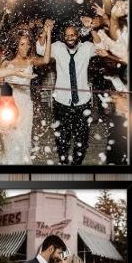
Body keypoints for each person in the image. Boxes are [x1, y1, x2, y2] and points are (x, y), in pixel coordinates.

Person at [37, 22, 104, 165]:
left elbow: (100, 46)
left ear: (78, 35)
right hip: (61, 103)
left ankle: (76, 166)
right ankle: (64, 164)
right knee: (62, 139)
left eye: (72, 34)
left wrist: (91, 27)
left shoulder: (86, 47)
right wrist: (45, 30)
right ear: (63, 37)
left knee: (82, 140)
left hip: (82, 103)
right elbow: (40, 49)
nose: (70, 38)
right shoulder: (57, 47)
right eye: (67, 35)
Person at [0, 24, 53, 164]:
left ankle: (23, 164)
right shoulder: (6, 63)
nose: (25, 47)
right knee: (9, 137)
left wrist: (49, 34)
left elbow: (45, 60)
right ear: (16, 45)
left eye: (27, 44)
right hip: (11, 104)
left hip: (26, 105)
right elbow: (0, 85)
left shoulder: (30, 60)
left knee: (24, 137)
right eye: (22, 44)